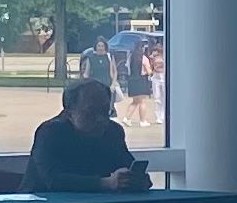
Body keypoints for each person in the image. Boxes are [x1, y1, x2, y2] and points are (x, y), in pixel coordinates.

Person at [21, 79, 152, 194]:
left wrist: (136, 180)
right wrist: (106, 183)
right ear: (69, 113)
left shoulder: (113, 132)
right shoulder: (50, 132)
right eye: (91, 113)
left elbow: (127, 165)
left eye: (105, 111)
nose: (100, 119)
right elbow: (52, 180)